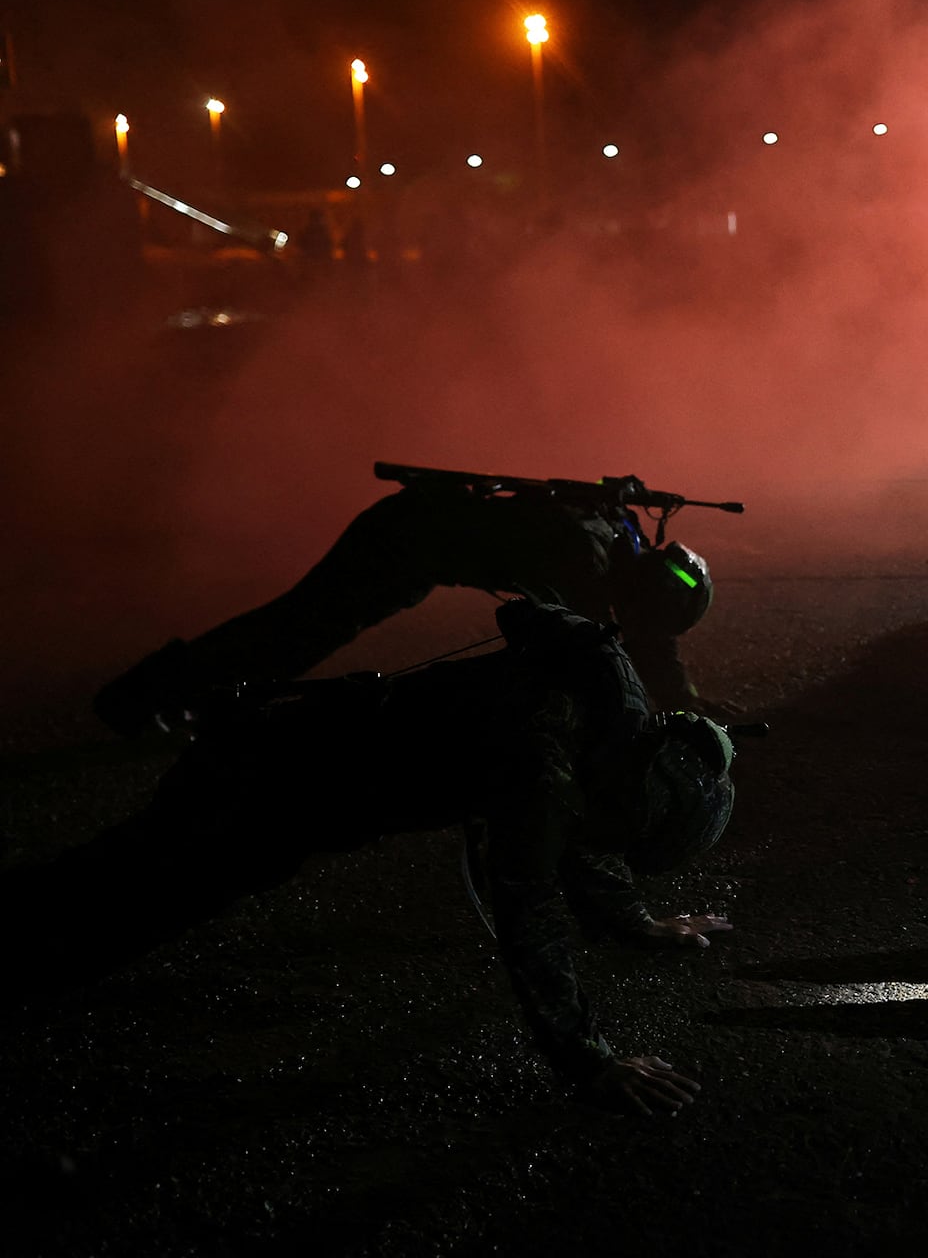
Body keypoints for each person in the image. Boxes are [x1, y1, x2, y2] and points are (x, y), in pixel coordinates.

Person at [5, 602, 737, 1117]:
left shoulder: (620, 728)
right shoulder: (541, 760)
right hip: (266, 781)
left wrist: (634, 921)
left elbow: (583, 838)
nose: (604, 838)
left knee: (118, 888)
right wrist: (591, 1058)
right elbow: (531, 907)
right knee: (125, 903)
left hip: (290, 769)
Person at [95, 472, 716, 735]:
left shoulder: (625, 536)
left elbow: (639, 631)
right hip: (402, 541)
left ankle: (190, 700)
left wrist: (680, 698)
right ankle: (147, 696)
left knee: (299, 633)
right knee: (295, 631)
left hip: (421, 544)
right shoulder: (587, 557)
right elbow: (599, 642)